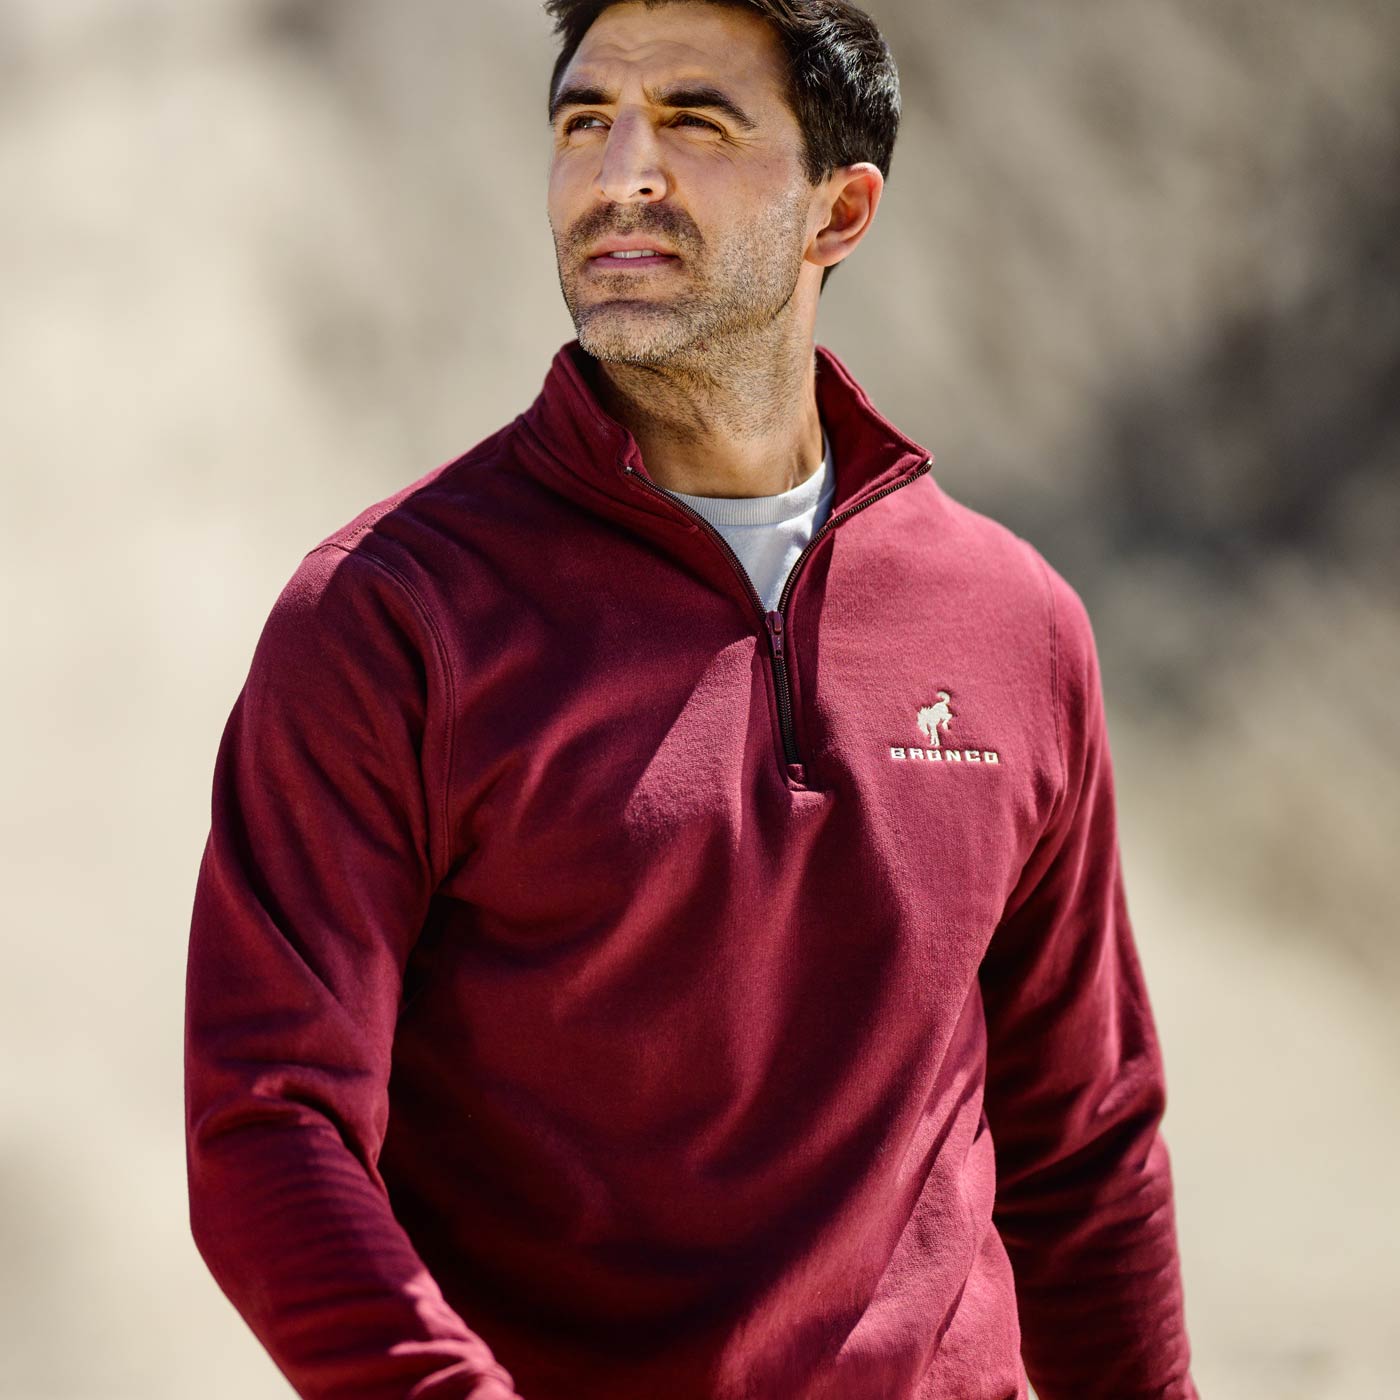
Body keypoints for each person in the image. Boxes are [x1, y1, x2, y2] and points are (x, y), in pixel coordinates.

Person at [183, 2, 1199, 1397]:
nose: (622, 173)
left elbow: (1083, 1142)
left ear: (840, 212)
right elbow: (269, 1125)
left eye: (697, 123)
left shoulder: (1016, 624)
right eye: (585, 121)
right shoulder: (389, 617)